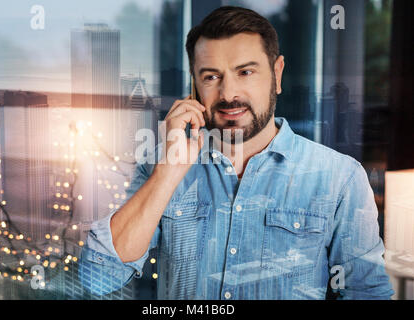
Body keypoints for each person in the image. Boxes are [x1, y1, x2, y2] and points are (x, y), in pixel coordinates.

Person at [79, 6, 393, 300]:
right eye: (211, 77)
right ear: (195, 87)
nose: (228, 94)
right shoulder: (161, 167)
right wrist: (168, 173)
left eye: (245, 72)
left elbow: (367, 294)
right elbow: (99, 277)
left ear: (277, 73)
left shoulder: (340, 178)